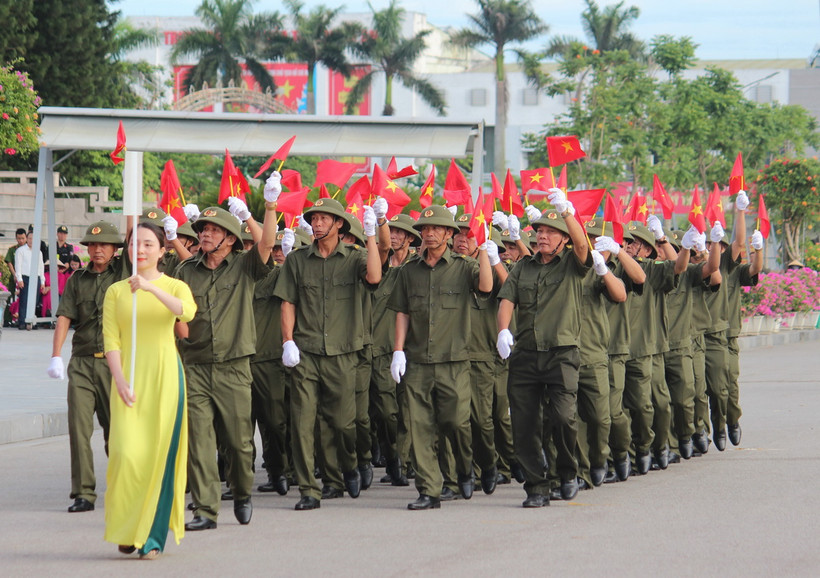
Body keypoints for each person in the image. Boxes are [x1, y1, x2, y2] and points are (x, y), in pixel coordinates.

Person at [174, 175, 279, 531]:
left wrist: (266, 208)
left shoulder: (245, 266)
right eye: (201, 229)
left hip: (234, 366)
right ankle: (205, 509)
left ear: (230, 238)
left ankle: (243, 491)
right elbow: (177, 315)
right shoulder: (185, 271)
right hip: (195, 365)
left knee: (238, 443)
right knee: (200, 441)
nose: (204, 234)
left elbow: (266, 244)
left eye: (213, 230)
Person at [274, 197, 385, 511]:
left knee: (341, 423)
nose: (317, 223)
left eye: (324, 219)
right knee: (302, 421)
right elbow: (288, 303)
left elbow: (375, 277)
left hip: (343, 352)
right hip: (306, 352)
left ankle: (347, 466)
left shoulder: (354, 257)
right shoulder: (296, 261)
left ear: (339, 224)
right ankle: (310, 489)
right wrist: (287, 341)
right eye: (314, 218)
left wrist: (372, 235)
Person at [102, 223, 197, 560]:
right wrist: (119, 379)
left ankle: (152, 537)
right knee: (126, 456)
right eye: (134, 244)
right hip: (128, 379)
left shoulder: (175, 285)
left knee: (159, 458)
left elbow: (186, 312)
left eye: (147, 244)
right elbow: (111, 339)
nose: (139, 250)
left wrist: (150, 288)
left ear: (162, 250)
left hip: (165, 378)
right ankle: (128, 529)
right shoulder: (115, 291)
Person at [389, 205, 493, 510]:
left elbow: (485, 287)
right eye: (425, 228)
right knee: (420, 426)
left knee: (455, 423)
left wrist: (485, 252)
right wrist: (398, 350)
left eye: (436, 228)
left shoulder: (463, 267)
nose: (429, 233)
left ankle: (463, 467)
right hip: (418, 360)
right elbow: (402, 312)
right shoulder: (409, 271)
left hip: (454, 361)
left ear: (449, 233)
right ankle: (429, 490)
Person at [496, 190, 592, 508]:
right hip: (525, 354)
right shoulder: (524, 267)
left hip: (561, 353)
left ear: (562, 239)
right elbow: (508, 298)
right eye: (539, 231)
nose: (543, 236)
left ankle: (567, 472)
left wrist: (566, 212)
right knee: (523, 425)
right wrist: (502, 331)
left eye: (550, 232)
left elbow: (582, 246)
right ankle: (537, 485)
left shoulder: (572, 265)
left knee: (564, 418)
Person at [48, 221, 128, 513]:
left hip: (113, 363)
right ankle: (83, 492)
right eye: (92, 245)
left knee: (117, 431)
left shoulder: (123, 274)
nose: (97, 250)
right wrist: (55, 355)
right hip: (81, 362)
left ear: (115, 248)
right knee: (78, 429)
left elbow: (134, 239)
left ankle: (122, 486)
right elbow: (65, 317)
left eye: (103, 245)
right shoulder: (77, 280)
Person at [15, 230, 45, 330]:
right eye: (30, 238)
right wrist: (19, 279)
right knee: (24, 300)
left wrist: (42, 281)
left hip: (36, 278)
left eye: (33, 239)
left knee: (34, 300)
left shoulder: (39, 252)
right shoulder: (21, 250)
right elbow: (18, 266)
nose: (31, 240)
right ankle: (22, 321)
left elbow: (41, 267)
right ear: (26, 239)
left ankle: (31, 321)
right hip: (25, 277)